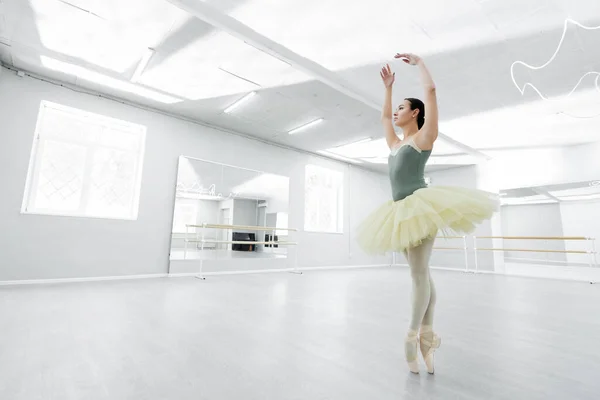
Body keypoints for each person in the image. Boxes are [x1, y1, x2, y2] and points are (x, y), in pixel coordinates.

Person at [356, 53, 498, 374]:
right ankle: (428, 337)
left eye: (402, 108)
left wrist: (419, 63)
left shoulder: (423, 138)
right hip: (399, 213)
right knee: (423, 276)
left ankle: (411, 337)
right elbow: (382, 120)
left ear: (415, 112)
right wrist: (389, 89)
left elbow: (431, 91)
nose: (396, 113)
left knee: (418, 275)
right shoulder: (394, 144)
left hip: (419, 208)